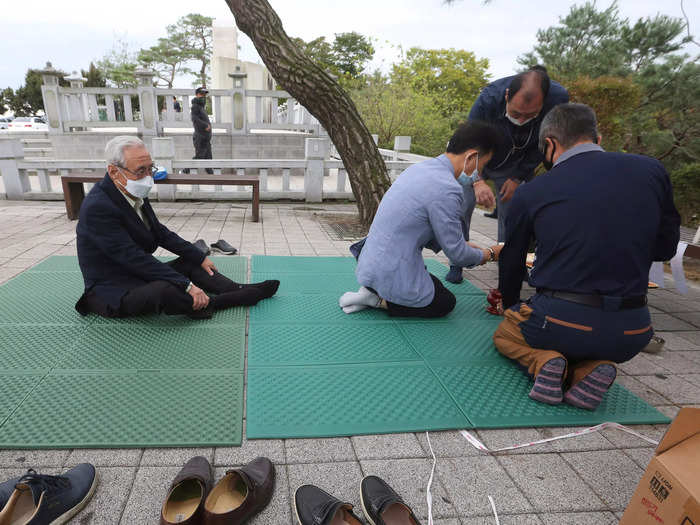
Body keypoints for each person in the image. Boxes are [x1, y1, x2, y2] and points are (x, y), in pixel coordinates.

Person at [492, 103, 681, 410]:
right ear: (598, 137)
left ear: (550, 144)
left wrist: (511, 307)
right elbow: (665, 250)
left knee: (506, 335)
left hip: (560, 321)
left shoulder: (533, 191)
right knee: (589, 341)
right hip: (633, 332)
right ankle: (588, 369)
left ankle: (545, 361)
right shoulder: (651, 170)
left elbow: (512, 262)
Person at [75, 136, 279, 320]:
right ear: (114, 171)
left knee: (192, 262)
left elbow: (160, 232)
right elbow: (133, 257)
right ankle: (222, 301)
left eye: (150, 169)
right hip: (113, 288)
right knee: (165, 289)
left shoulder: (130, 191)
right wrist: (187, 285)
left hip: (138, 274)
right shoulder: (98, 208)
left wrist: (199, 257)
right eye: (141, 171)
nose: (149, 177)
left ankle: (236, 289)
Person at [339, 121, 503, 318]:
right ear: (472, 157)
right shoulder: (447, 187)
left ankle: (374, 290)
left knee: (435, 285)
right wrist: (490, 254)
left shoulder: (421, 169)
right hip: (389, 267)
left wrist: (464, 244)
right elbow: (458, 256)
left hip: (370, 262)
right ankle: (378, 300)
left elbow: (426, 227)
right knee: (445, 302)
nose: (479, 174)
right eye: (482, 166)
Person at [445, 65, 569, 284]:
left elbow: (545, 144)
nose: (521, 120)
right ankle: (458, 260)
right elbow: (468, 141)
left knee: (513, 215)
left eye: (530, 115)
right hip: (477, 160)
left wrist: (518, 177)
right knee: (461, 207)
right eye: (515, 113)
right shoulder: (488, 99)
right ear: (506, 96)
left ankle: (512, 263)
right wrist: (477, 180)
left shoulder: (558, 100)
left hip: (515, 164)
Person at [184, 86, 213, 175]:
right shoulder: (195, 106)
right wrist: (205, 126)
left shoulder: (201, 107)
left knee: (208, 158)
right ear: (197, 95)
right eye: (201, 94)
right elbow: (194, 119)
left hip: (205, 138)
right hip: (200, 137)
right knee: (199, 157)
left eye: (204, 94)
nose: (203, 96)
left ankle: (212, 176)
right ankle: (184, 171)